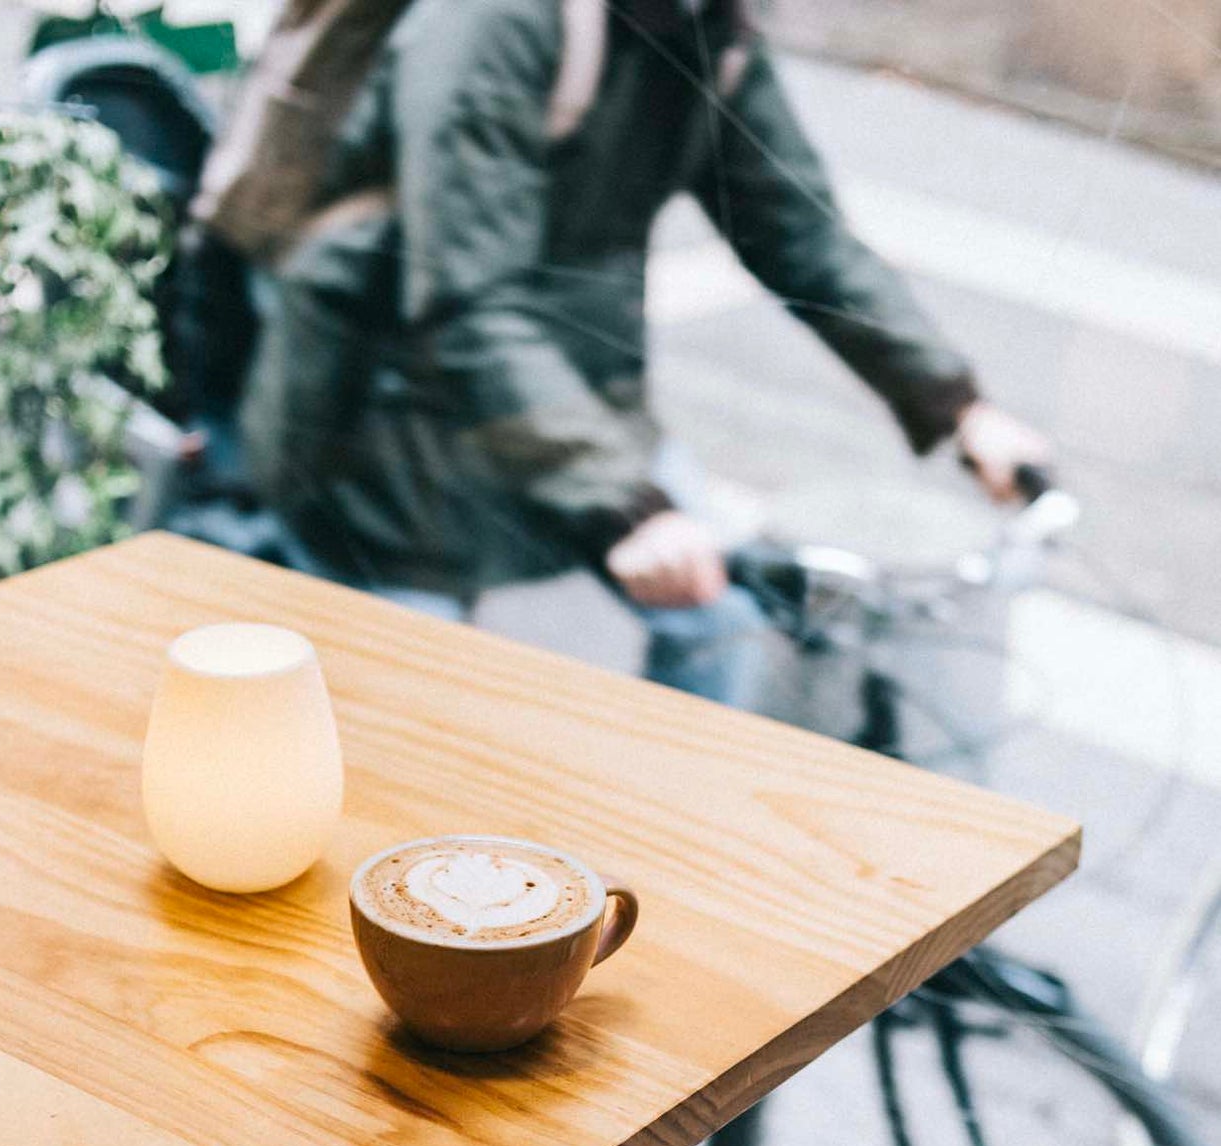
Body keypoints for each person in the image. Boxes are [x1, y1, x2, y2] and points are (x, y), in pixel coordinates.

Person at [175, 0, 1050, 705]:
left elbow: (801, 237)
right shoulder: (494, 20)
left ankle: (663, 866)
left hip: (561, 395)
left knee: (722, 625)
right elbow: (465, 304)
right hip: (383, 418)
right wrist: (628, 506)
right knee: (409, 706)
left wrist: (954, 402)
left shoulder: (705, 28)